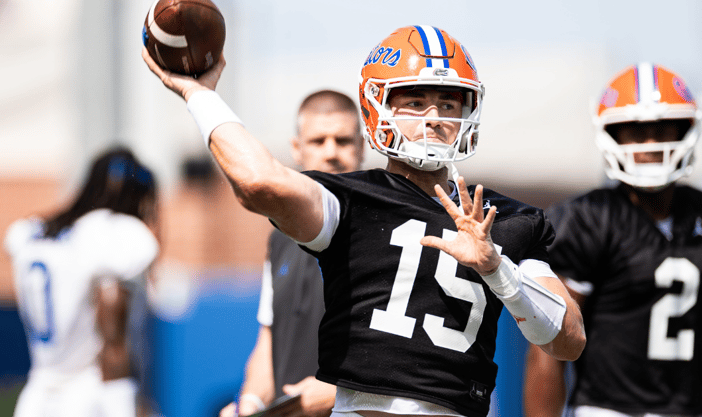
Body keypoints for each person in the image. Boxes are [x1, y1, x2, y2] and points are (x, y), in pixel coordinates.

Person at [143, 25, 585, 417]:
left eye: (448, 102)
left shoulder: (500, 217)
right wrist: (200, 95)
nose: (434, 118)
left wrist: (496, 267)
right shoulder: (352, 199)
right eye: (415, 101)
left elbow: (568, 340)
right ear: (379, 106)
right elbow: (259, 182)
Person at [523, 63, 702, 417]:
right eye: (636, 131)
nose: (652, 144)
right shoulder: (587, 219)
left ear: (687, 128)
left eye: (663, 129)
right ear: (611, 134)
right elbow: (549, 344)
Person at [218, 90, 366, 417]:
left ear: (362, 148)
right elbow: (271, 339)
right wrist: (250, 404)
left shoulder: (384, 231)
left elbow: (411, 353)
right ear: (297, 149)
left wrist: (339, 392)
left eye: (342, 141)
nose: (331, 153)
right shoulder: (279, 240)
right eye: (318, 141)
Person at [4, 147, 160, 417]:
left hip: (36, 398)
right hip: (88, 399)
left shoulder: (31, 232)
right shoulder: (112, 235)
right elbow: (113, 339)